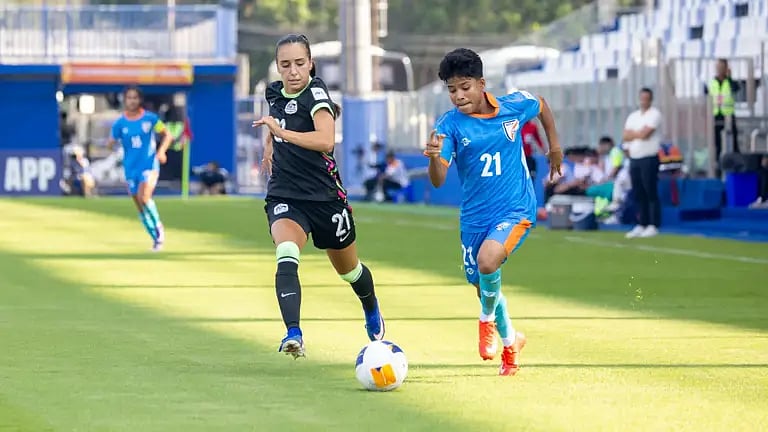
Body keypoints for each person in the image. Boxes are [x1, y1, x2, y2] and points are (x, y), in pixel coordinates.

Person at [425, 48, 563, 376]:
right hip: (474, 217)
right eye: (452, 90)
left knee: (488, 261)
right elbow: (439, 179)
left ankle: (485, 320)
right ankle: (511, 343)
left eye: (465, 87)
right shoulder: (449, 126)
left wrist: (554, 146)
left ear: (482, 83)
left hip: (515, 208)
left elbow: (541, 104)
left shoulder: (513, 106)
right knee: (483, 283)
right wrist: (433, 157)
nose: (458, 96)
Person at [252, 34, 385, 359]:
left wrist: (282, 133)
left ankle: (370, 305)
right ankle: (293, 334)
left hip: (325, 198)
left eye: (299, 63)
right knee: (286, 251)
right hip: (286, 195)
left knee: (349, 271)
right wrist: (271, 143)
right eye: (286, 65)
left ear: (310, 64)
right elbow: (276, 119)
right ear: (278, 67)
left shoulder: (317, 95)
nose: (293, 71)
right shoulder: (274, 92)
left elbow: (326, 141)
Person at [108, 86, 173, 251]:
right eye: (129, 98)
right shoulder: (120, 123)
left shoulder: (150, 119)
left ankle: (159, 228)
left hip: (149, 165)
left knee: (144, 197)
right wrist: (111, 144)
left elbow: (167, 134)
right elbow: (111, 141)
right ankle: (155, 238)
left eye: (135, 98)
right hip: (131, 168)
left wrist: (161, 151)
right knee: (139, 205)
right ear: (125, 100)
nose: (132, 101)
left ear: (140, 100)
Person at [622, 87, 662, 238]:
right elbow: (625, 135)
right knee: (639, 192)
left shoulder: (655, 114)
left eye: (647, 98)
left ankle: (653, 224)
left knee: (650, 190)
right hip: (635, 157)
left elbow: (646, 134)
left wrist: (635, 134)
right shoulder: (633, 116)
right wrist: (635, 135)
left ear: (650, 99)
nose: (644, 101)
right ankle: (642, 223)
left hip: (649, 156)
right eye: (642, 98)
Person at [705, 58, 740, 176]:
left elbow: (736, 89)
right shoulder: (712, 82)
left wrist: (729, 77)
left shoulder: (730, 82)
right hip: (716, 115)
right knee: (717, 145)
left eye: (722, 67)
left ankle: (735, 167)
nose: (719, 69)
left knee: (733, 144)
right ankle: (718, 170)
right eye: (718, 67)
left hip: (728, 115)